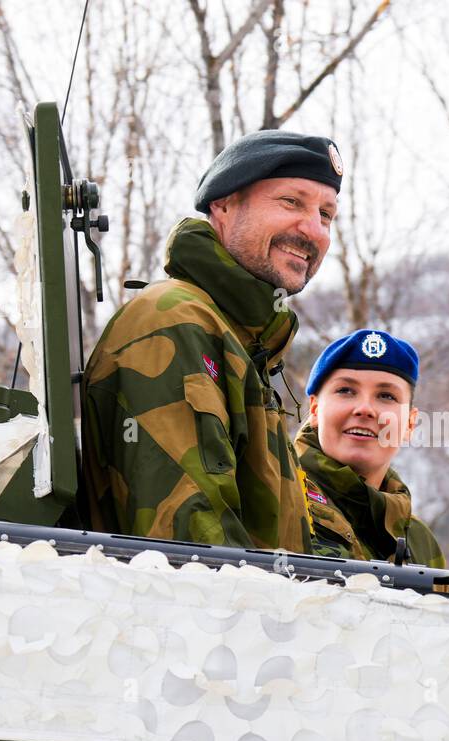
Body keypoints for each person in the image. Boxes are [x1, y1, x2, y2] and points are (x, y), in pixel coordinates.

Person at [81, 130, 345, 551]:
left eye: (326, 215)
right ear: (223, 203)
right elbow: (194, 558)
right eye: (291, 202)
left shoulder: (243, 342)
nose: (312, 229)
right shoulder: (177, 321)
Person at [295, 329, 445, 569]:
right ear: (314, 409)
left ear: (409, 424)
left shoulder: (420, 543)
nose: (365, 409)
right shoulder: (278, 501)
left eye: (386, 396)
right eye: (345, 391)